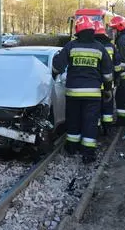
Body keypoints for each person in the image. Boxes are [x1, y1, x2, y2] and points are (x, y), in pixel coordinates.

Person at [52, 16, 113, 163]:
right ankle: (88, 153)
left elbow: (58, 66)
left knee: (73, 120)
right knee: (90, 122)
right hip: (93, 94)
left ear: (77, 30)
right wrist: (108, 90)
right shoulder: (100, 48)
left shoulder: (71, 46)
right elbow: (107, 73)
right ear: (92, 30)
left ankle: (72, 148)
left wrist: (53, 73)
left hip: (73, 92)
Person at [94, 21, 121, 134]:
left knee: (95, 108)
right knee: (108, 106)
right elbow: (117, 65)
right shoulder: (111, 46)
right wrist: (117, 78)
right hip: (108, 83)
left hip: (94, 85)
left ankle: (96, 127)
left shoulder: (92, 46)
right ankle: (107, 129)